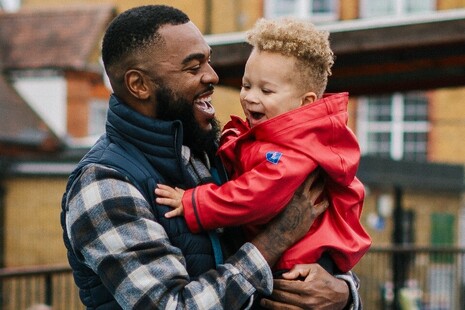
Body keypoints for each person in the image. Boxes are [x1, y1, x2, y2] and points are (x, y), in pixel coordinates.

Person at [60, 5, 360, 309]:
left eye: (209, 61)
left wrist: (343, 293)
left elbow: (314, 240)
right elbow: (174, 305)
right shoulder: (105, 183)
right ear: (139, 85)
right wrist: (276, 238)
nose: (213, 76)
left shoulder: (211, 152)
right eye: (193, 68)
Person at [156, 17, 371, 275]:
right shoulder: (273, 137)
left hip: (294, 264)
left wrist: (195, 203)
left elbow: (254, 197)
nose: (250, 97)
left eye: (267, 91)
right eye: (246, 85)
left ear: (305, 102)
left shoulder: (295, 150)